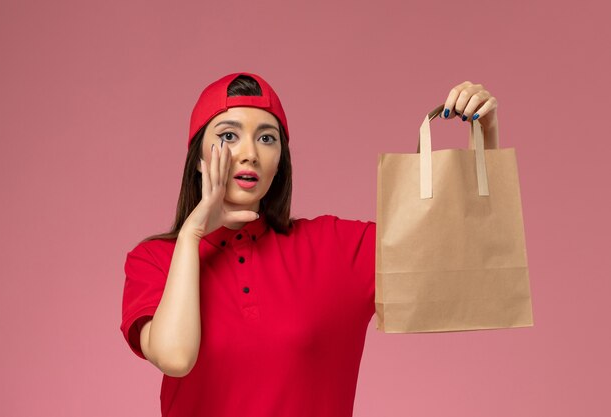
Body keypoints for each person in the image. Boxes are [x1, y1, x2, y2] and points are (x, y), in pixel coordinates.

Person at [119, 72, 500, 417]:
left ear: (280, 160)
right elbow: (175, 356)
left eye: (266, 138)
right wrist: (191, 236)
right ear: (199, 159)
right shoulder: (154, 261)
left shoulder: (334, 248)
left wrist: (484, 140)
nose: (249, 152)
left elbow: (448, 245)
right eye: (229, 135)